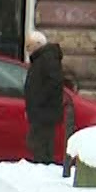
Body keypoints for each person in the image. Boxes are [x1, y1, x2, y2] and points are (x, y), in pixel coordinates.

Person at [24, 30, 67, 165]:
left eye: (29, 46)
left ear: (38, 45)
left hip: (44, 113)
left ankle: (43, 170)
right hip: (42, 112)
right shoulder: (42, 59)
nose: (27, 50)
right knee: (38, 144)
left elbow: (55, 82)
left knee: (40, 146)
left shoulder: (46, 59)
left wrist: (38, 101)